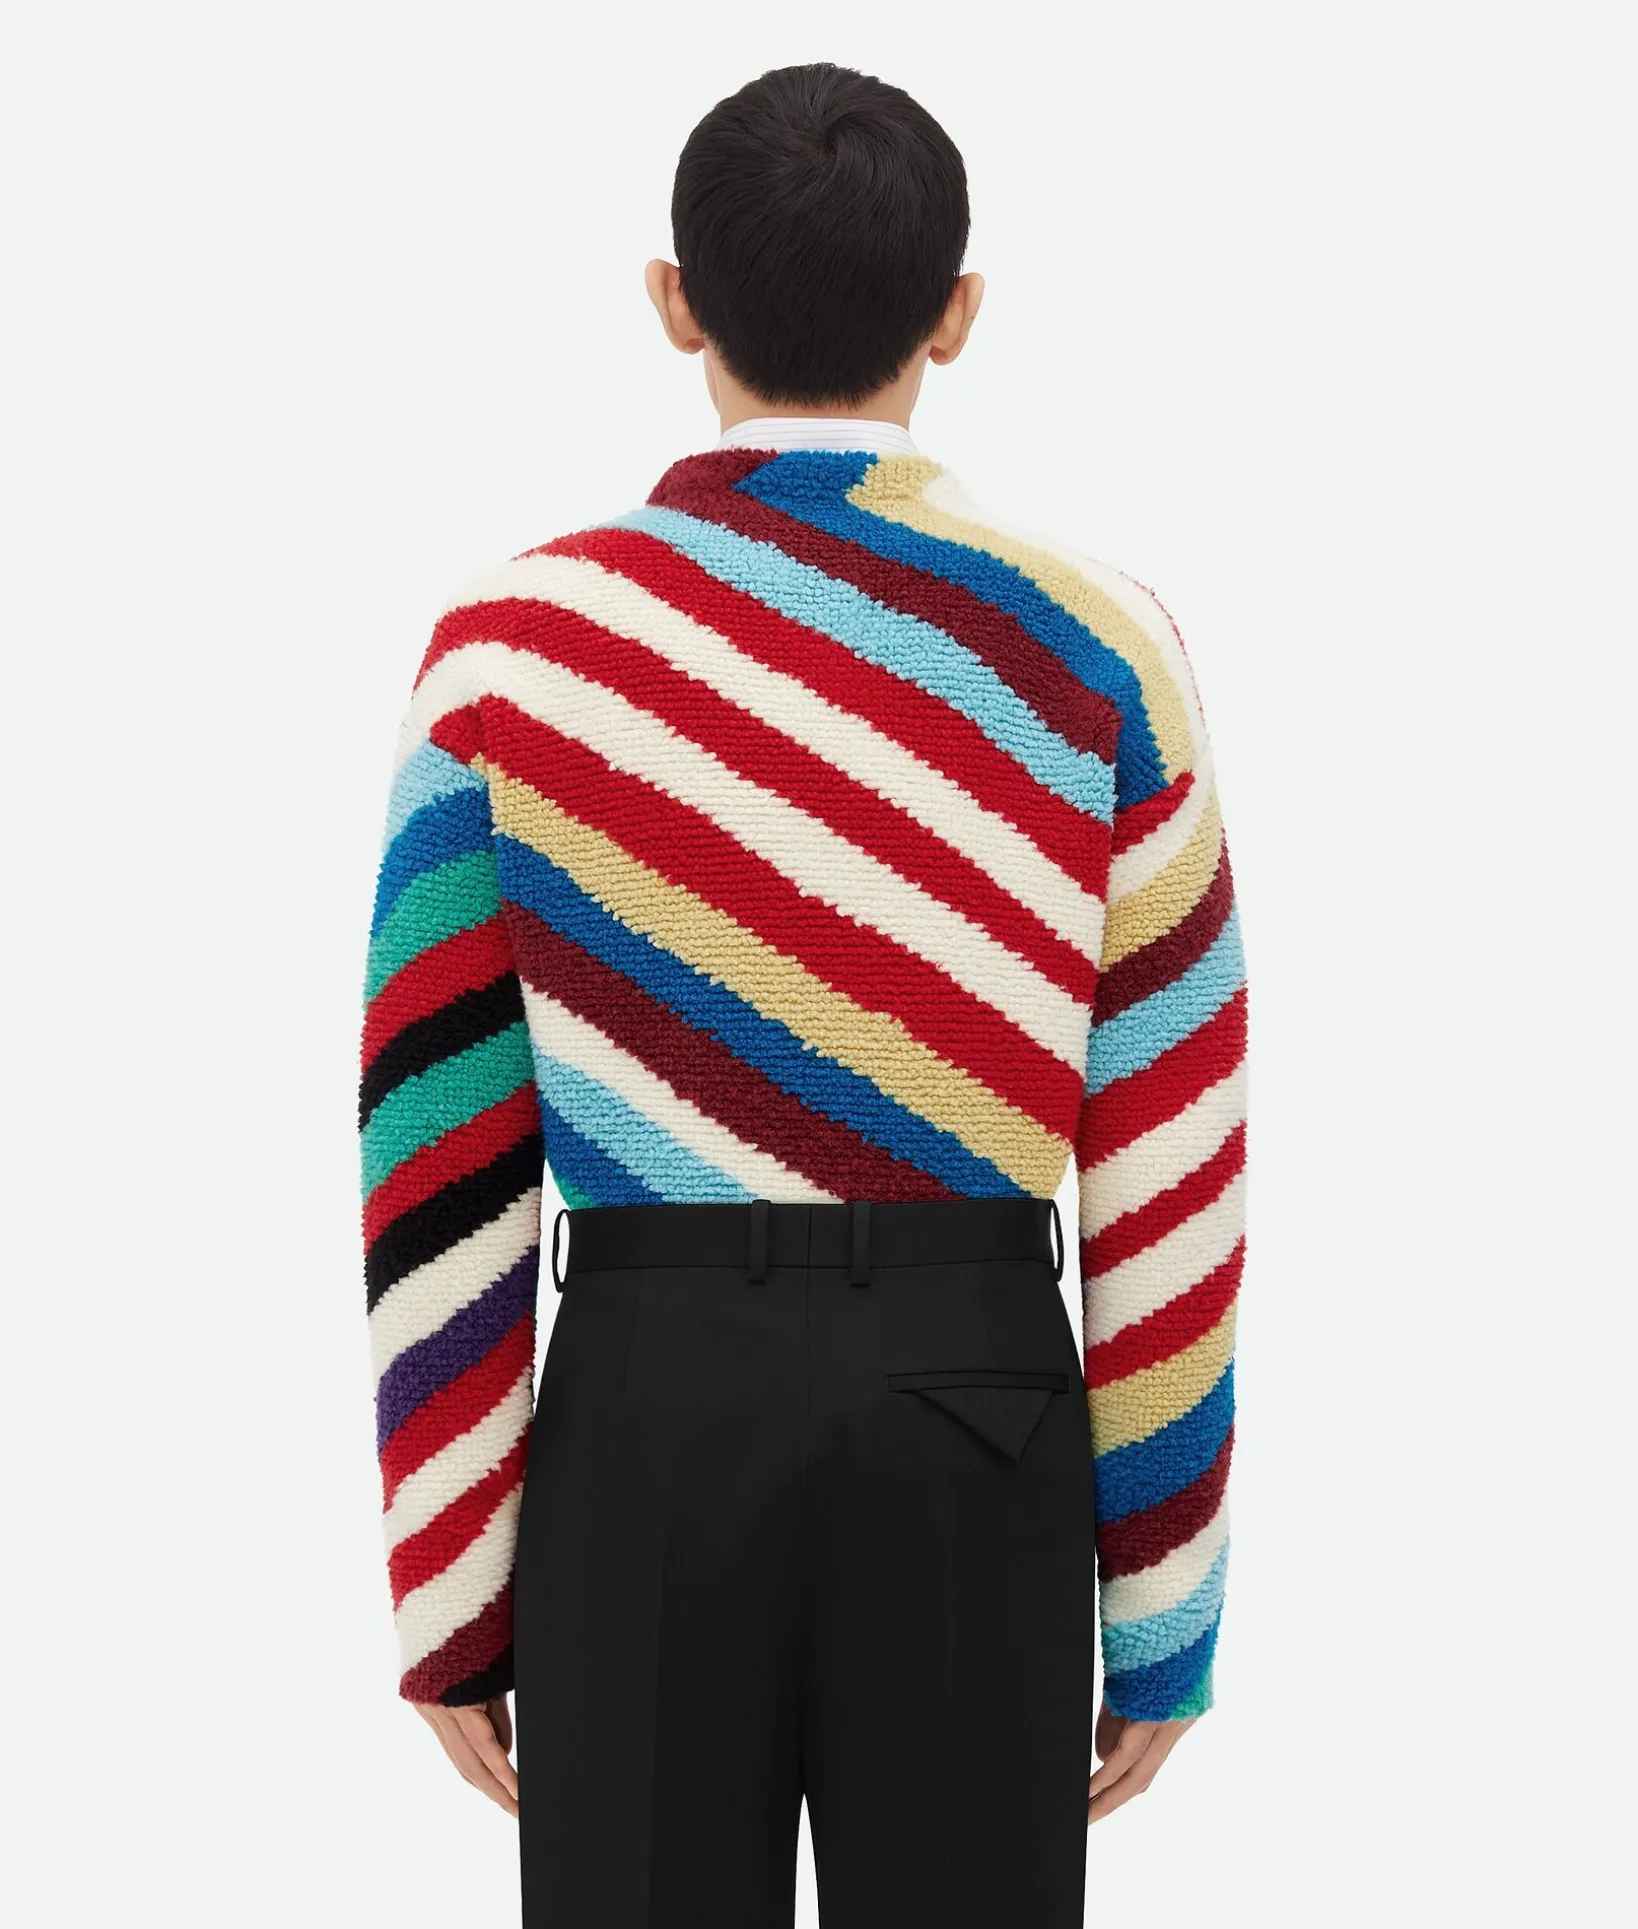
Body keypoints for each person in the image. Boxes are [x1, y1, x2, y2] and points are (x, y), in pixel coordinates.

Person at [359, 59, 1247, 1928]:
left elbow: (435, 1135)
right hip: (977, 1403)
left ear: (673, 301)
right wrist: (1164, 1602)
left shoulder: (512, 651)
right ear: (958, 311)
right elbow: (1171, 1149)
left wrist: (450, 1583)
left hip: (647, 1404)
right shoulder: (1100, 646)